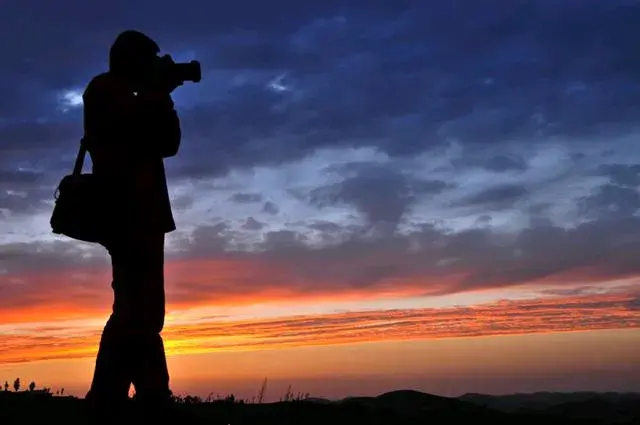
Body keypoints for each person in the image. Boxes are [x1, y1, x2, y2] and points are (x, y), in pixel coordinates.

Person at [81, 30, 182, 422]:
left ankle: (121, 397)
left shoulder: (127, 93)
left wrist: (160, 93)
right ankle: (143, 399)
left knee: (137, 310)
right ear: (133, 61)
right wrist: (159, 92)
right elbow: (150, 137)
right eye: (151, 62)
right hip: (127, 212)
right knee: (139, 312)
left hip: (140, 213)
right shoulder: (106, 91)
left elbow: (167, 143)